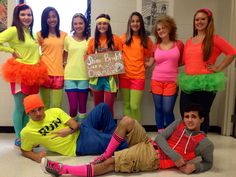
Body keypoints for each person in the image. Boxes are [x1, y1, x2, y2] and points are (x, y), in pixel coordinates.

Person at [41, 103, 214, 176]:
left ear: (202, 120)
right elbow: (160, 137)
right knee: (126, 121)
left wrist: (195, 167)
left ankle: (64, 170)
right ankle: (105, 153)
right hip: (150, 143)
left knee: (111, 163)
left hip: (153, 158)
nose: (189, 120)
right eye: (187, 116)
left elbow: (208, 163)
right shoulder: (178, 123)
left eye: (193, 117)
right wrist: (176, 157)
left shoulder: (205, 143)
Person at [20, 94, 127, 163]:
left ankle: (112, 141)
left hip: (82, 129)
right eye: (33, 111)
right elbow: (24, 150)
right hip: (77, 145)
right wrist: (35, 156)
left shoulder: (55, 111)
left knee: (103, 107)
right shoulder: (27, 132)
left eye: (40, 109)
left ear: (43, 107)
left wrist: (69, 131)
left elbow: (75, 125)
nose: (38, 113)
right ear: (27, 113)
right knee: (122, 142)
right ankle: (117, 142)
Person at [179, 8, 236, 133]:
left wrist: (219, 68)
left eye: (203, 19)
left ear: (209, 21)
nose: (199, 22)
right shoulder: (189, 41)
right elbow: (184, 61)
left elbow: (232, 52)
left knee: (202, 114)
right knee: (185, 112)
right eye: (197, 19)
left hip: (206, 82)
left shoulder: (214, 39)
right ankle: (188, 140)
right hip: (188, 81)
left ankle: (201, 142)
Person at [0, 4, 48, 148]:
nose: (27, 17)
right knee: (20, 107)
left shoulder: (30, 32)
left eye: (29, 14)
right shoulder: (14, 30)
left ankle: (28, 135)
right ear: (17, 16)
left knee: (30, 107)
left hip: (34, 73)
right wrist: (11, 50)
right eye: (23, 14)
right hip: (20, 73)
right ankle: (18, 137)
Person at [151, 15, 184, 133]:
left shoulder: (178, 44)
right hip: (156, 80)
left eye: (163, 28)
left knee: (167, 110)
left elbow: (184, 61)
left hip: (172, 81)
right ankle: (161, 135)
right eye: (158, 29)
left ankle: (172, 135)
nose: (161, 31)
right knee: (158, 109)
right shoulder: (155, 47)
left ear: (170, 28)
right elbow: (150, 63)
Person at [119, 12, 154, 122]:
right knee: (126, 105)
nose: (135, 23)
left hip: (138, 76)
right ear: (129, 23)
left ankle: (137, 131)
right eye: (133, 21)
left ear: (141, 23)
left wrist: (150, 63)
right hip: (124, 76)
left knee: (134, 106)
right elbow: (116, 55)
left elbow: (152, 55)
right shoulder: (123, 38)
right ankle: (127, 131)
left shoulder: (146, 40)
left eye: (137, 21)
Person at [87, 13, 122, 116]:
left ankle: (109, 129)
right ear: (97, 26)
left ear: (108, 25)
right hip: (97, 79)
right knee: (97, 106)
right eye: (100, 24)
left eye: (105, 24)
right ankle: (99, 128)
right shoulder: (92, 41)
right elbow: (89, 59)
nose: (102, 26)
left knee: (108, 107)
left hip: (110, 79)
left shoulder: (115, 39)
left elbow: (120, 57)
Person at [37, 7, 67, 110]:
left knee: (57, 106)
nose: (51, 19)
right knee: (44, 105)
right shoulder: (39, 34)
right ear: (44, 19)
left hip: (59, 73)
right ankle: (45, 125)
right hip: (44, 74)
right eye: (48, 17)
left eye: (54, 16)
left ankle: (56, 127)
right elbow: (33, 52)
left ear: (57, 18)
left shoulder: (64, 35)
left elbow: (67, 53)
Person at [63, 13, 90, 122]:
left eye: (80, 23)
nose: (78, 26)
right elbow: (64, 57)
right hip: (70, 77)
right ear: (72, 25)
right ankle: (73, 129)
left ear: (85, 24)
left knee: (82, 107)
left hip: (84, 77)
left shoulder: (90, 40)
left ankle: (82, 130)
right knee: (73, 107)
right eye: (75, 23)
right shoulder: (68, 39)